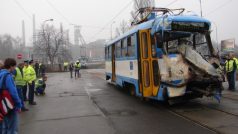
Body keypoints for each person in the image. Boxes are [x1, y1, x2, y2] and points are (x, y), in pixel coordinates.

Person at [0, 58, 22, 134]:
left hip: (2, 105)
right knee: (13, 128)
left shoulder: (0, 74)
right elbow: (13, 92)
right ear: (11, 66)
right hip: (10, 105)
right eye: (14, 66)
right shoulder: (8, 76)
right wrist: (19, 104)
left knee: (5, 127)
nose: (15, 68)